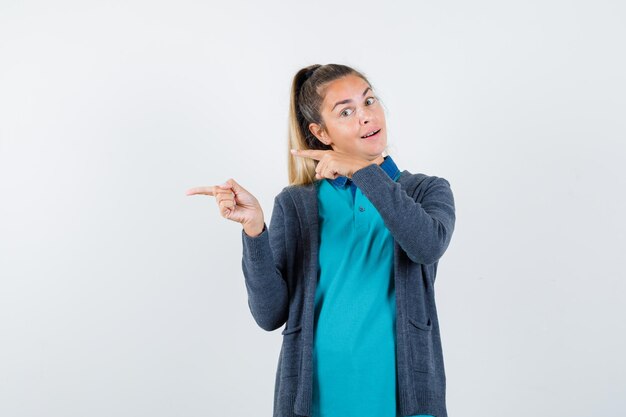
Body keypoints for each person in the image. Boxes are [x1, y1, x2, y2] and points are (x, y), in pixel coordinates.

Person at [186, 64, 456, 417]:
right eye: (346, 111)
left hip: (403, 400)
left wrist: (363, 171)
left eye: (369, 101)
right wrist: (254, 230)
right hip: (316, 400)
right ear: (321, 133)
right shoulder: (296, 204)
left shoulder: (427, 190)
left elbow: (426, 245)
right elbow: (269, 315)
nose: (365, 117)